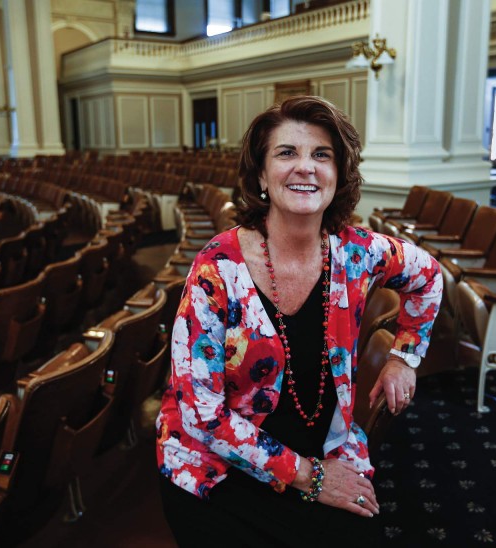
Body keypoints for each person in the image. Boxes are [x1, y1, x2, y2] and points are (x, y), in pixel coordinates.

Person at [156, 96, 442, 547]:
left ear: (338, 175)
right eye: (287, 153)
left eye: (321, 155)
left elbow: (428, 277)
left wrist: (405, 356)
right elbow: (202, 416)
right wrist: (309, 477)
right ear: (261, 176)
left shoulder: (359, 252)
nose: (306, 167)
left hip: (322, 446)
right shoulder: (216, 270)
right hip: (219, 465)